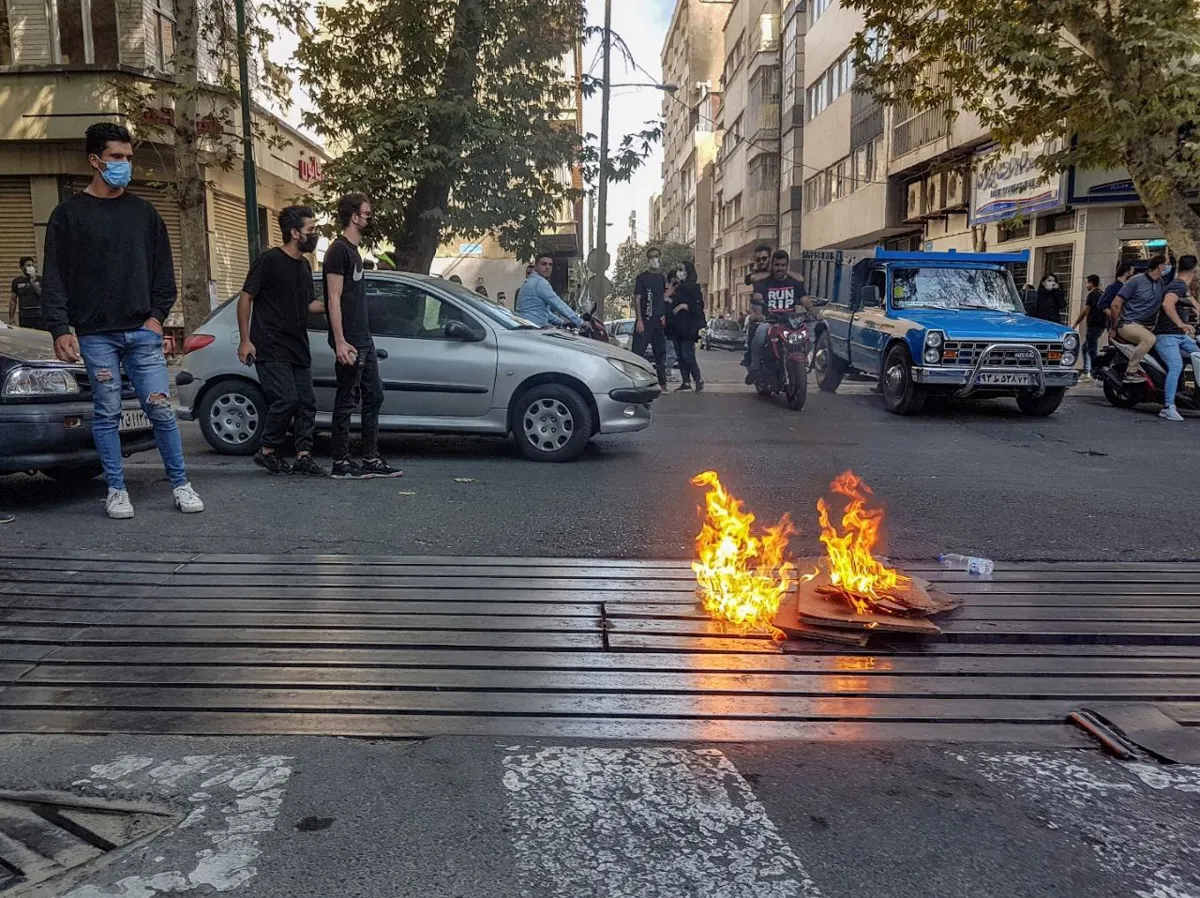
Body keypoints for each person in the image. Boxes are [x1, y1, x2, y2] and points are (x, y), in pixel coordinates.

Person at [41, 123, 203, 520]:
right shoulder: (68, 216)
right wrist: (60, 329)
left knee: (162, 410)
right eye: (117, 158)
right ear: (95, 160)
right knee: (107, 413)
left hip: (141, 332)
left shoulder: (144, 214)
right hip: (96, 335)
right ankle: (116, 489)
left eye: (129, 158)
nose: (126, 164)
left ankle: (181, 484)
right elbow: (55, 277)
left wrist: (156, 319)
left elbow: (164, 274)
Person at [236, 205, 326, 477]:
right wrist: (245, 340)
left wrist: (337, 303)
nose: (315, 235)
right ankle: (267, 450)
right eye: (311, 230)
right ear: (295, 233)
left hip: (297, 344)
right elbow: (245, 298)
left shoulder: (304, 266)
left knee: (307, 402)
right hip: (271, 344)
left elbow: (308, 305)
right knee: (285, 399)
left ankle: (303, 455)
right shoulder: (269, 261)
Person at [323, 192, 402, 480]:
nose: (370, 218)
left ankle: (370, 457)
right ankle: (340, 462)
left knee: (374, 395)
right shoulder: (338, 251)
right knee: (346, 399)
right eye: (367, 214)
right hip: (351, 340)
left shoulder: (354, 252)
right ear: (354, 216)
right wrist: (340, 340)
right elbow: (333, 298)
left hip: (363, 337)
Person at [747, 250, 815, 383]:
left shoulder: (794, 282)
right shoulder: (764, 282)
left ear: (787, 266)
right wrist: (760, 314)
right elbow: (757, 298)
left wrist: (812, 310)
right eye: (777, 265)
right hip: (770, 321)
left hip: (790, 322)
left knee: (810, 335)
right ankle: (754, 368)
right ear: (772, 265)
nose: (780, 268)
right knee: (759, 336)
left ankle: (804, 362)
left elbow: (804, 299)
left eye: (783, 265)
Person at [1151, 254, 1200, 422]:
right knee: (1176, 365)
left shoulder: (1183, 286)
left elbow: (1194, 305)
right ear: (1194, 270)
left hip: (1180, 337)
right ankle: (1168, 407)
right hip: (1166, 336)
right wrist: (1181, 324)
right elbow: (1167, 303)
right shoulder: (1177, 285)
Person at [1111, 254, 1169, 383]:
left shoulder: (1161, 283)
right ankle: (1130, 372)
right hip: (1129, 324)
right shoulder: (1135, 281)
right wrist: (1113, 327)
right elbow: (1116, 304)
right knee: (1149, 339)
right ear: (1160, 267)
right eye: (1167, 264)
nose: (1169, 267)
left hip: (1148, 326)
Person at [632, 246, 669, 390]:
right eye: (651, 257)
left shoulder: (661, 278)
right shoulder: (642, 278)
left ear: (660, 257)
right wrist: (639, 320)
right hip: (645, 322)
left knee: (661, 354)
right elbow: (637, 298)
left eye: (656, 256)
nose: (654, 259)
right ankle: (635, 382)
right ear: (648, 260)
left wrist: (664, 315)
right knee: (637, 355)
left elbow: (662, 298)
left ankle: (663, 383)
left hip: (658, 323)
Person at [666, 259, 705, 392]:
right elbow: (671, 301)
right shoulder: (678, 287)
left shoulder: (693, 287)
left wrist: (683, 306)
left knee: (687, 355)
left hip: (688, 327)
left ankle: (698, 379)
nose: (680, 272)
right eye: (679, 269)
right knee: (680, 356)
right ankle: (686, 381)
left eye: (682, 269)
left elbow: (698, 307)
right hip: (676, 327)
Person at [516, 254, 583, 328]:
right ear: (536, 267)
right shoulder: (540, 282)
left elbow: (542, 312)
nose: (547, 267)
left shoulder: (531, 281)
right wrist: (580, 322)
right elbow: (558, 304)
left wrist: (562, 321)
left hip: (527, 327)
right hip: (533, 329)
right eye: (543, 264)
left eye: (550, 265)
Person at [1072, 274, 1106, 378]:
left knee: (1091, 350)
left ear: (1091, 283)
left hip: (1093, 326)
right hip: (1101, 326)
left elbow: (1085, 311)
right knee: (1085, 348)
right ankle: (1087, 370)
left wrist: (1075, 324)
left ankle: (1093, 372)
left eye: (1087, 283)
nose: (1086, 286)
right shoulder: (1102, 294)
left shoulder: (1092, 295)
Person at [9, 257, 42, 329]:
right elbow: (13, 300)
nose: (31, 267)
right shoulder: (17, 281)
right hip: (25, 316)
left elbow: (42, 294)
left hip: (39, 315)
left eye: (32, 265)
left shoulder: (40, 279)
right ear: (21, 267)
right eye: (28, 265)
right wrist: (11, 317)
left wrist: (33, 283)